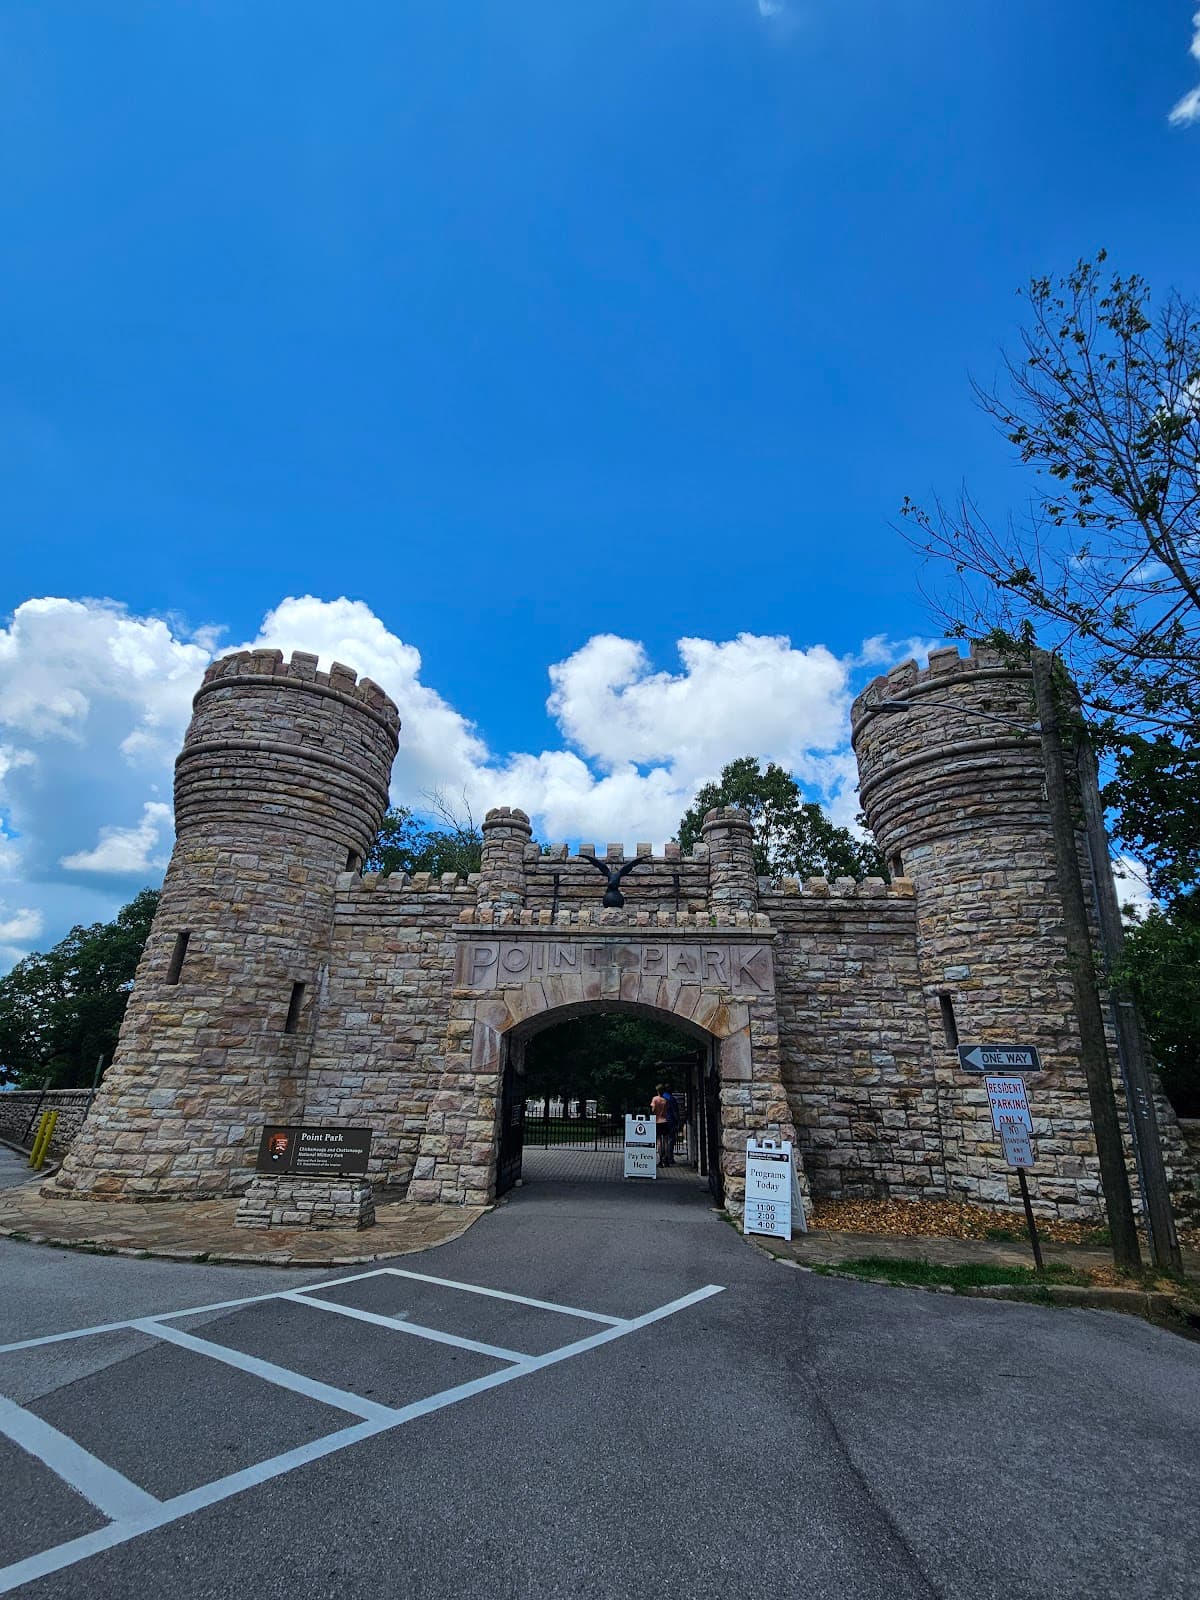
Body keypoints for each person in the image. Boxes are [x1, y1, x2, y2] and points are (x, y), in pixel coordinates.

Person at [651, 1083, 671, 1167]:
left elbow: (653, 1110)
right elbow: (666, 1111)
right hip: (665, 1121)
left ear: (657, 1091)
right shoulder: (665, 1100)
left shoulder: (655, 1099)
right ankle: (666, 1159)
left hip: (657, 1121)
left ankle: (660, 1159)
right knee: (666, 1141)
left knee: (659, 1141)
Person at [662, 1083, 680, 1165]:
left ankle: (662, 1157)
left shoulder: (661, 1097)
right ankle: (669, 1158)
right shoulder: (671, 1099)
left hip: (660, 1121)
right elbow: (675, 1112)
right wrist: (678, 1121)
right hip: (670, 1121)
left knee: (662, 1140)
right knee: (670, 1140)